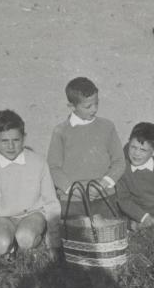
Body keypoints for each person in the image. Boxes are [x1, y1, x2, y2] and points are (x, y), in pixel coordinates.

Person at [0, 110, 61, 287]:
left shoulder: (38, 163)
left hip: (32, 214)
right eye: (4, 141)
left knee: (26, 238)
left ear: (24, 138)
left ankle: (35, 239)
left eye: (16, 140)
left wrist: (54, 242)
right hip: (5, 218)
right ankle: (10, 246)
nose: (11, 146)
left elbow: (51, 203)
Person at [47, 77, 125, 219]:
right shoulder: (60, 131)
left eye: (96, 103)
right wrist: (77, 191)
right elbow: (53, 168)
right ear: (72, 106)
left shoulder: (107, 126)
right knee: (76, 232)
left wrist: (103, 184)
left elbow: (119, 161)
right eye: (88, 106)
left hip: (105, 196)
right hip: (73, 200)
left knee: (108, 231)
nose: (94, 109)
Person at [116, 122, 154, 230]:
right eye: (133, 147)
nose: (136, 153)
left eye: (143, 150)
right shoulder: (123, 169)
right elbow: (123, 200)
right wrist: (144, 217)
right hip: (137, 215)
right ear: (128, 142)